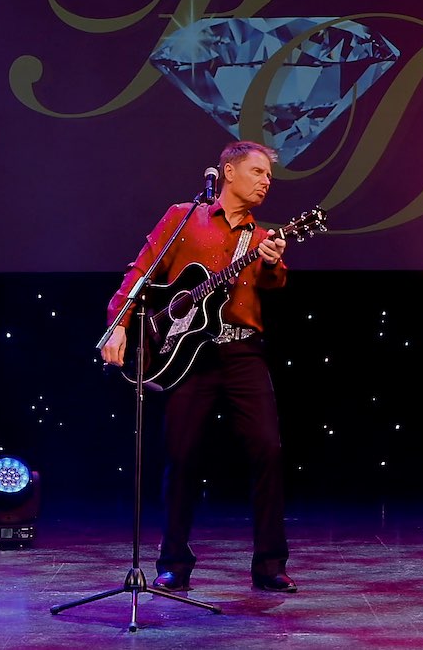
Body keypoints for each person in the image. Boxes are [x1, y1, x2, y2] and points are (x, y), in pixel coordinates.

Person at [101, 140, 296, 594]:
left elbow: (274, 283)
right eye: (258, 172)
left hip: (242, 352)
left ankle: (270, 564)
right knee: (181, 454)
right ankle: (174, 563)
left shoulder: (262, 238)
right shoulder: (183, 217)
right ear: (228, 172)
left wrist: (273, 264)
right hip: (188, 355)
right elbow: (141, 272)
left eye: (269, 176)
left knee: (268, 450)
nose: (266, 182)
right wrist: (119, 324)